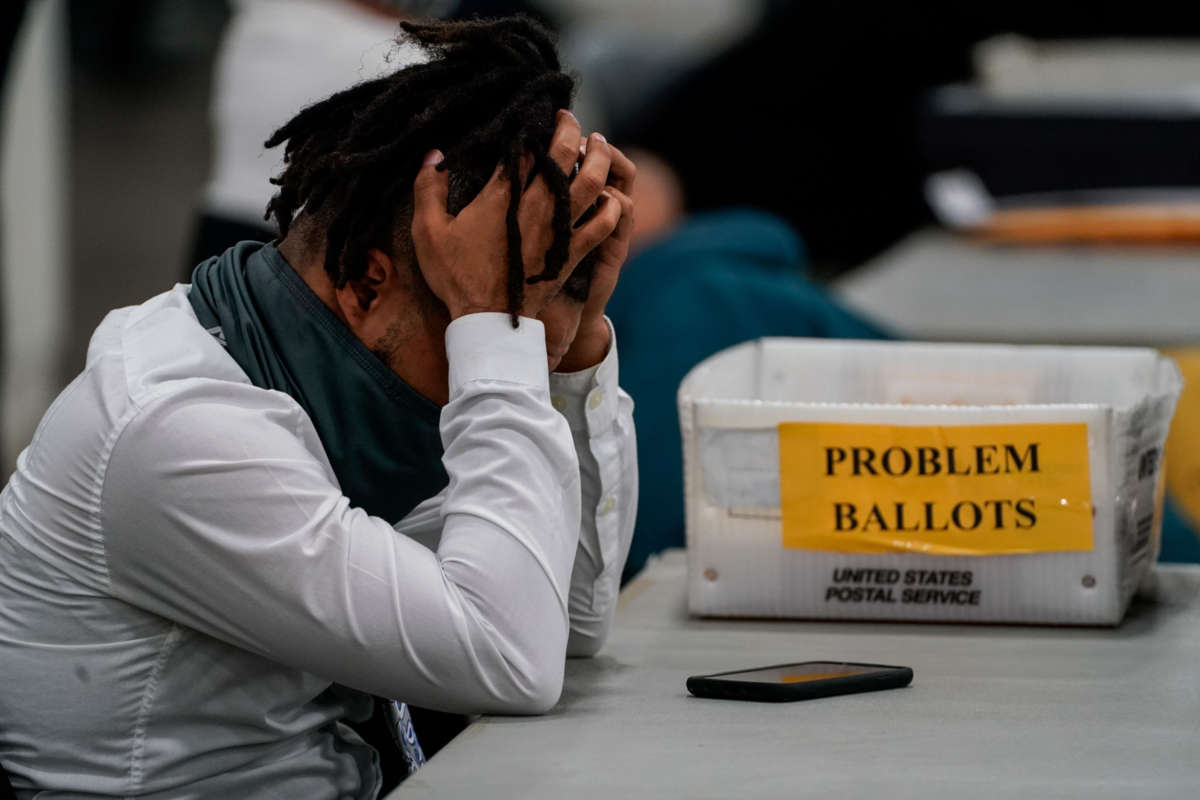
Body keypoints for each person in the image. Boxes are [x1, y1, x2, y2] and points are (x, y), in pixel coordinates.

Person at [0, 16, 637, 798]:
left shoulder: (325, 370)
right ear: (369, 284)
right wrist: (497, 343)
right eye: (479, 317)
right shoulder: (182, 430)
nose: (491, 359)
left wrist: (568, 352)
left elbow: (565, 625)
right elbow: (511, 656)